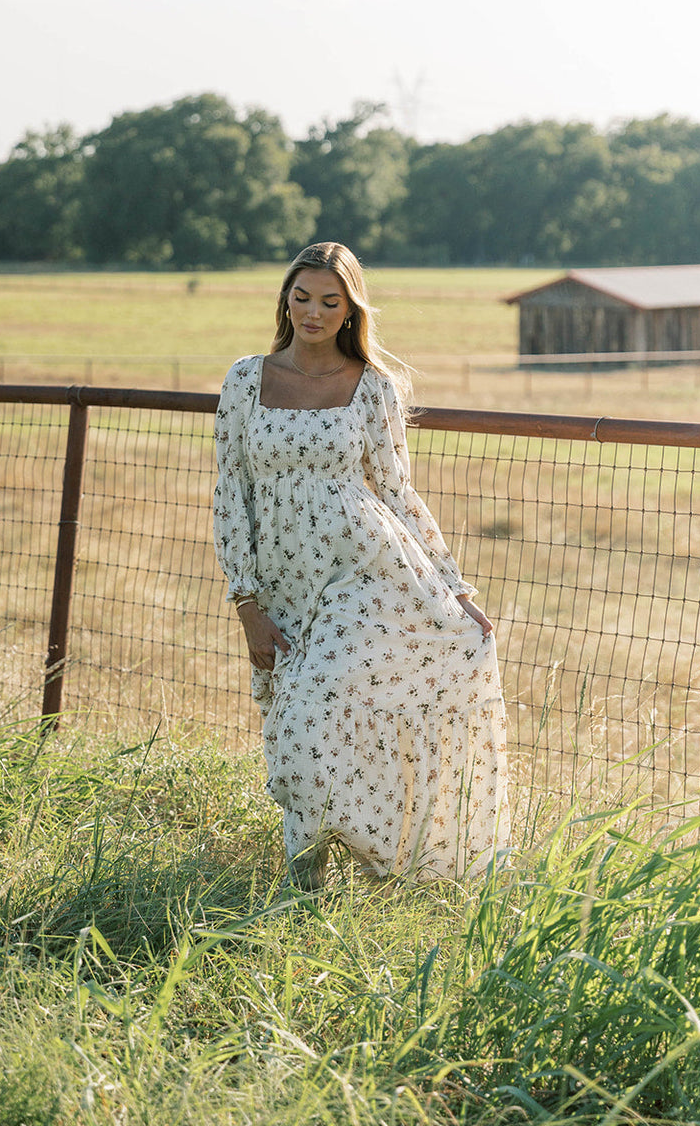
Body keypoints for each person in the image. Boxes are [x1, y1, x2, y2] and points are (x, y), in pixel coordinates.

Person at [213, 242, 510, 889]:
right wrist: (246, 602)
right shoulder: (245, 380)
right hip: (283, 584)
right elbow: (231, 493)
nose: (313, 312)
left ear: (350, 310)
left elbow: (398, 493)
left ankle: (387, 862)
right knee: (297, 730)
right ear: (285, 299)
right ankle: (307, 888)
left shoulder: (372, 386)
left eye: (330, 301)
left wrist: (454, 588)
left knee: (309, 724)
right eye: (302, 297)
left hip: (365, 574)